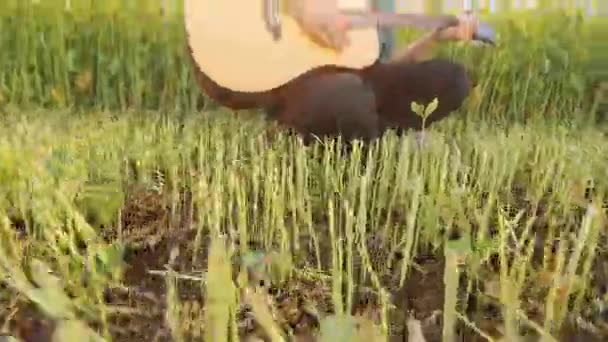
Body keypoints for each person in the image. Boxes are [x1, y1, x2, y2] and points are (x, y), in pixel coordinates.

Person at [187, 2, 480, 144]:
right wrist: (302, 9)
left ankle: (365, 130)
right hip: (292, 76)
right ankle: (364, 130)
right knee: (347, 97)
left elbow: (383, 69)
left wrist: (432, 38)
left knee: (451, 80)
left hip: (348, 80)